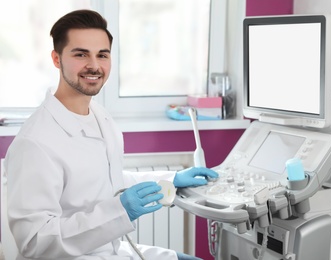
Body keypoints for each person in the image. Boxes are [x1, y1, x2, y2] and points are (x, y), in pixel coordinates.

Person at [4, 9, 218, 260]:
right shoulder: (35, 143)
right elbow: (34, 241)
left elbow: (107, 181)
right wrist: (119, 211)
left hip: (107, 251)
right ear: (56, 58)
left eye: (102, 55)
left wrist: (171, 178)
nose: (94, 65)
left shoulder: (98, 115)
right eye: (81, 54)